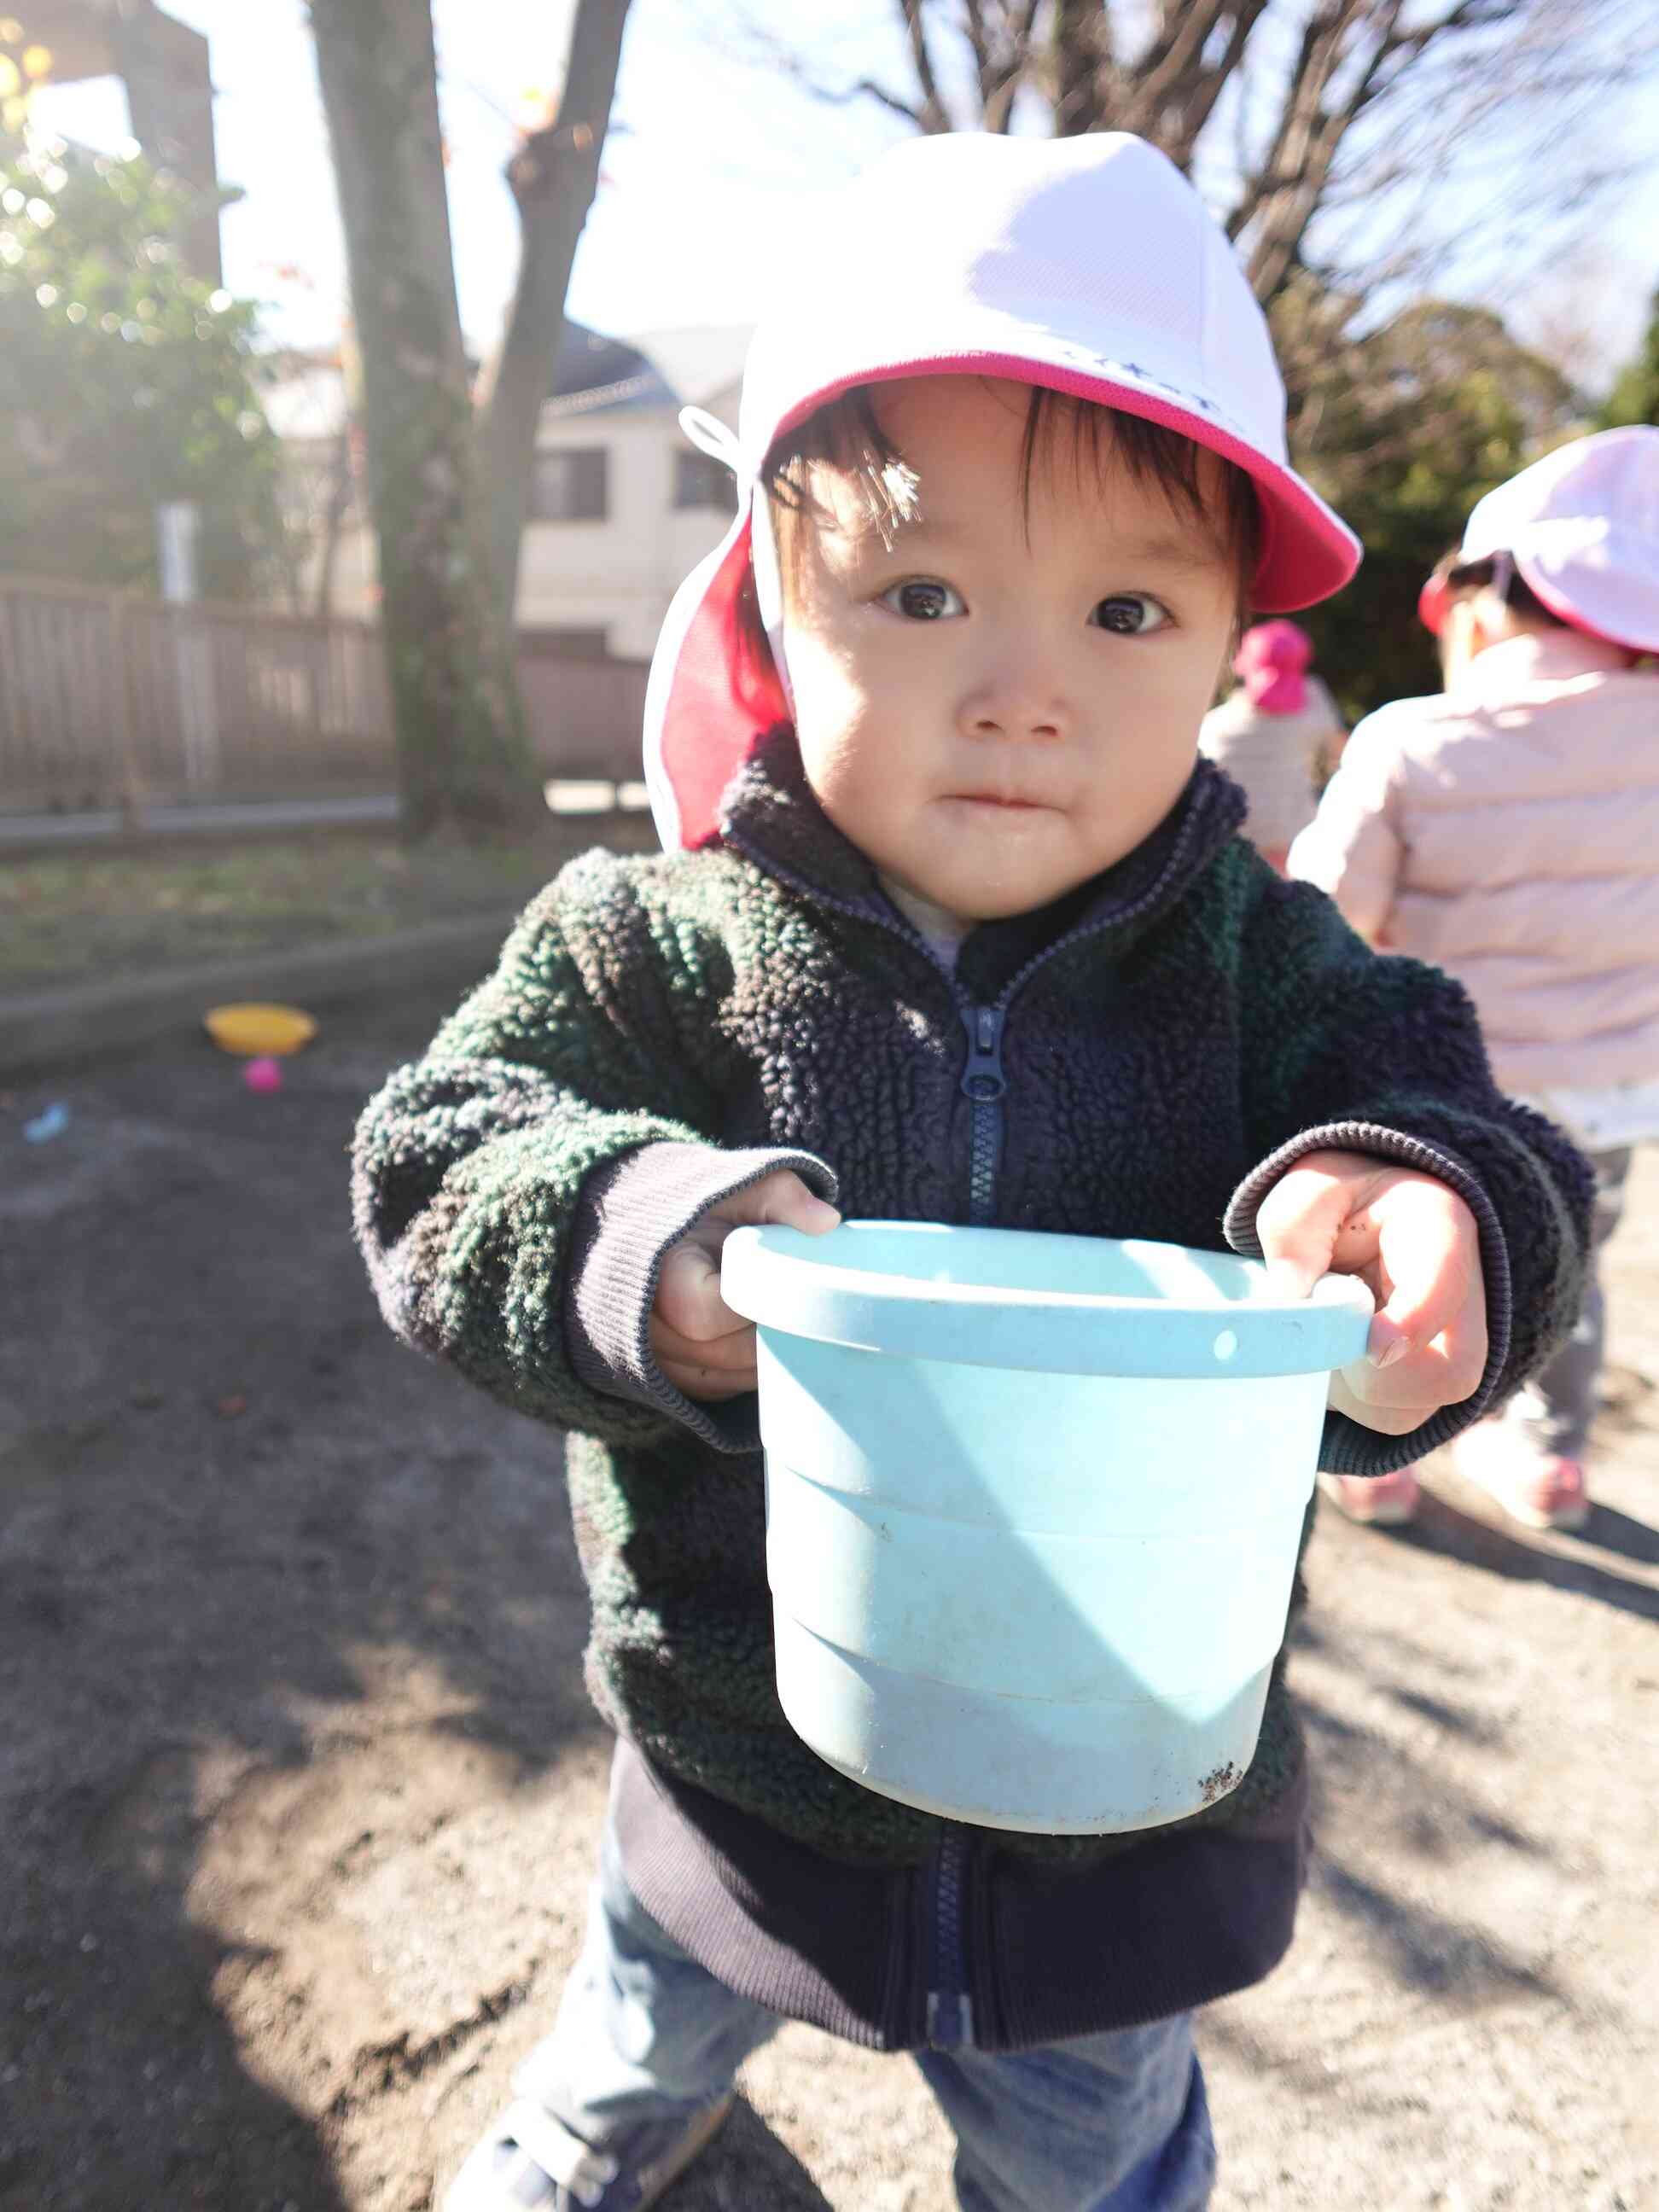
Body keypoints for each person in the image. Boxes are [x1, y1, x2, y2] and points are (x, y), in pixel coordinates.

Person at [352, 133, 1590, 2212]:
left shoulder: (1265, 970)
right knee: (653, 1997)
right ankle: (601, 2124)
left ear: (1221, 651)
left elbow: (1472, 1124)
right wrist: (645, 1239)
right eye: (920, 594)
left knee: (1083, 2139)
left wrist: (1425, 1210)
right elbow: (441, 1158)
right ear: (767, 596)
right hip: (734, 1756)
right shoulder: (643, 942)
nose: (1020, 695)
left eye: (1122, 610)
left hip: (1115, 1804)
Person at [1290, 425, 1659, 1535]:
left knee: (1398, 1261)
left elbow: (1323, 922)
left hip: (1440, 1085)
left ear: (1486, 601)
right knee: (1564, 1269)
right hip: (1606, 1088)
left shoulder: (1414, 740)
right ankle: (1548, 1458)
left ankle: (1377, 1455)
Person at [1197, 620, 1346, 870]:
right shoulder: (1314, 705)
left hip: (1232, 848)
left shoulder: (1213, 727)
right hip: (1297, 843)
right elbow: (1343, 753)